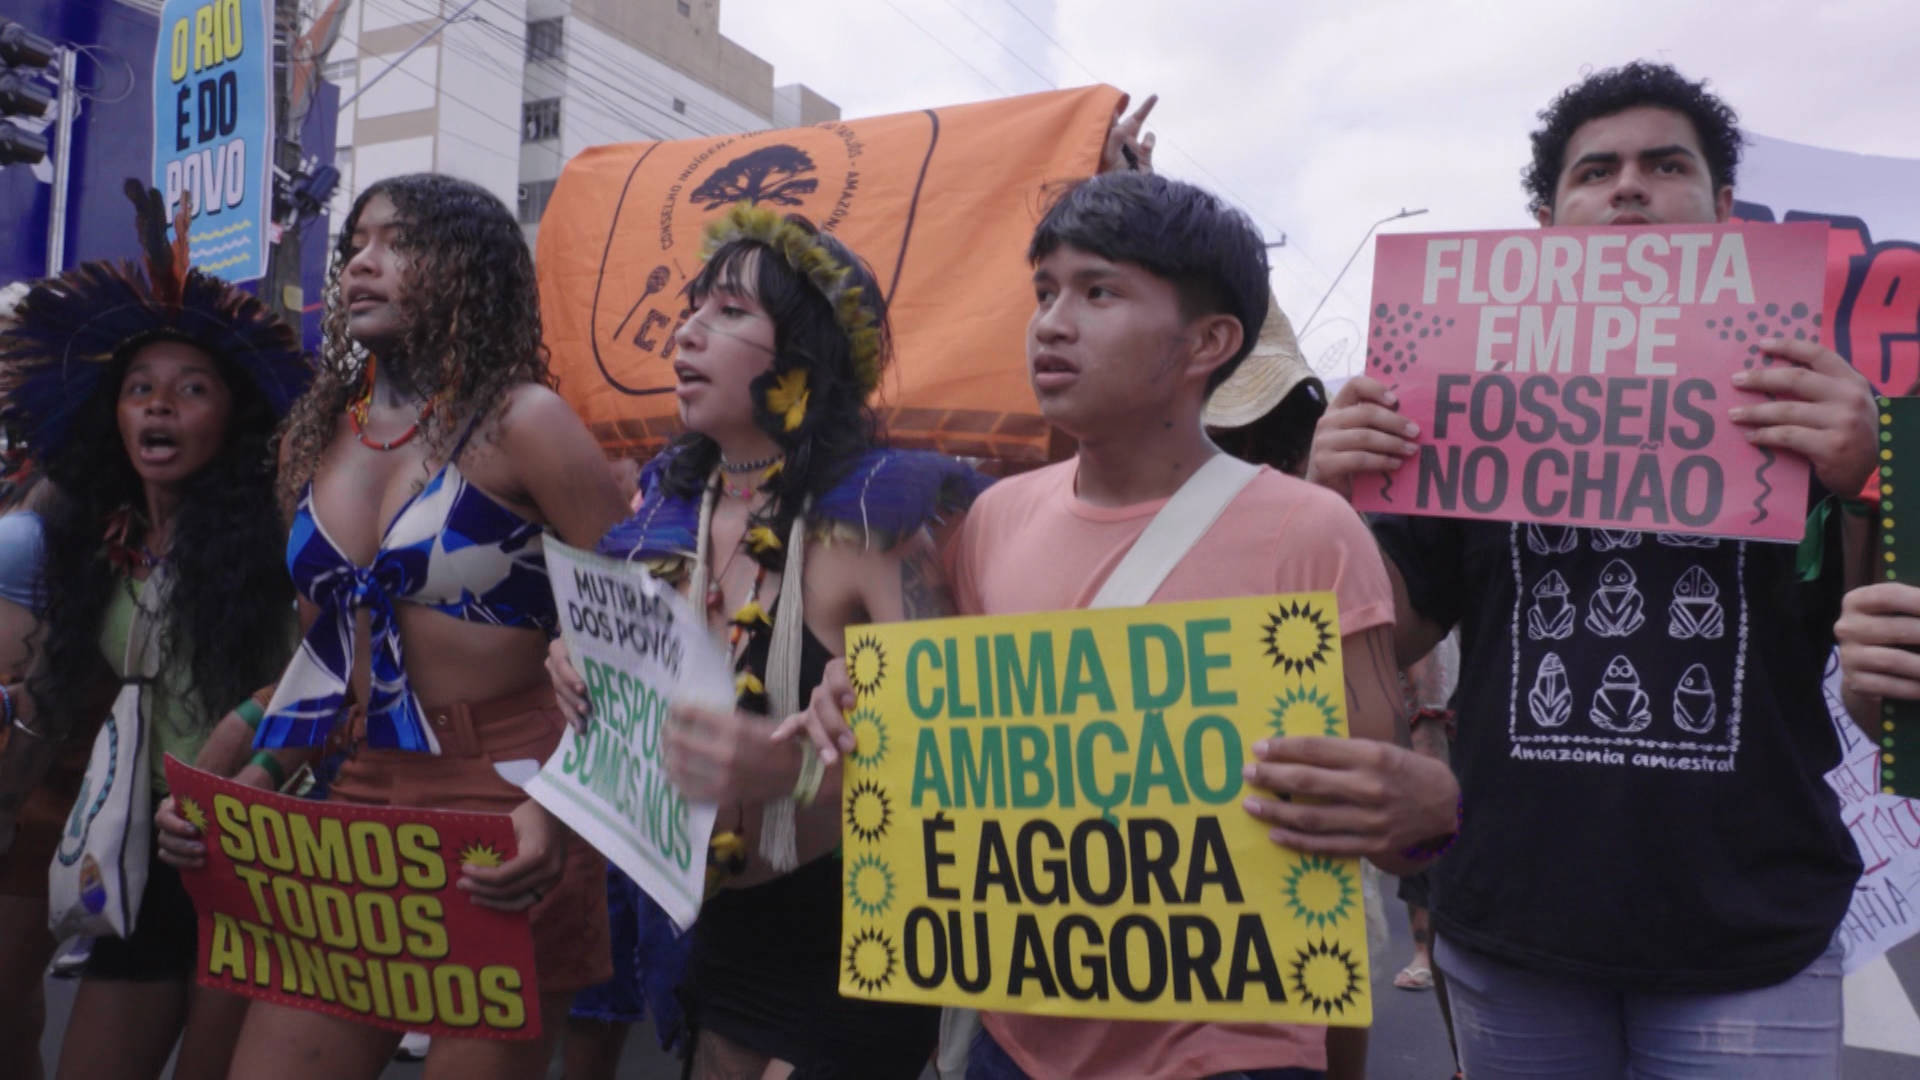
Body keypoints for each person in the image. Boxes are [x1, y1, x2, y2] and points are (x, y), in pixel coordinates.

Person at [785, 171, 1462, 1080]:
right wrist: (858, 701)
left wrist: (1430, 811)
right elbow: (948, 758)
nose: (1052, 322)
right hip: (1010, 1042)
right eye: (1044, 291)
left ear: (1208, 342)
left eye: (1098, 291)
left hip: (1231, 1046)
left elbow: (1376, 840)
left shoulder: (1312, 534)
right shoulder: (988, 524)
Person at [1306, 61, 1873, 1077]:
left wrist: (1874, 478)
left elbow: (1885, 692)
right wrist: (1327, 503)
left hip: (1747, 938)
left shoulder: (1816, 407)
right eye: (1595, 171)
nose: (1628, 188)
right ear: (1545, 223)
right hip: (1512, 928)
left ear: (1725, 210)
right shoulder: (1458, 404)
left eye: (1665, 165)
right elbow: (1390, 632)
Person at [198, 173, 630, 1080]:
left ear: (467, 270)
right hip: (355, 801)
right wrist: (231, 780)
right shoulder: (314, 440)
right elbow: (328, 665)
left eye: (397, 242)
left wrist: (556, 814)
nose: (361, 261)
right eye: (356, 242)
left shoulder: (528, 423)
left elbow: (641, 654)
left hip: (510, 801)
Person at [546, 203, 986, 1078]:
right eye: (691, 310)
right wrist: (576, 675)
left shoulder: (875, 524)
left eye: (730, 312)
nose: (687, 332)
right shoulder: (662, 524)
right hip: (713, 937)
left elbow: (958, 750)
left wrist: (793, 768)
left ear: (804, 357)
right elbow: (630, 731)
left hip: (851, 941)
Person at [0, 184, 312, 1080]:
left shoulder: (278, 540)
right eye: (140, 390)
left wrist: (218, 778)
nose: (159, 408)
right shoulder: (93, 535)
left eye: (190, 389)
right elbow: (58, 688)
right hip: (141, 854)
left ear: (235, 414)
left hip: (252, 858)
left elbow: (311, 686)